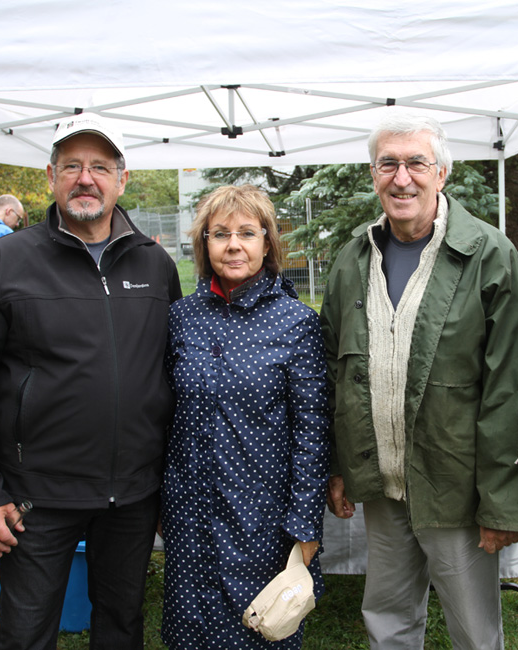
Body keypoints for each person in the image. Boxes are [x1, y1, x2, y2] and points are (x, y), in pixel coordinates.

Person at [0, 115, 182, 650]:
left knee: (121, 624)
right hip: (36, 496)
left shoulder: (156, 265)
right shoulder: (4, 263)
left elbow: (167, 375)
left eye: (99, 166)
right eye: (72, 166)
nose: (85, 178)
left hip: (134, 493)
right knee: (25, 631)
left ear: (123, 179)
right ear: (50, 176)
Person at [320, 112, 518, 649]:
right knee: (388, 618)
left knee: (473, 631)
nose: (402, 177)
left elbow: (510, 390)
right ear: (374, 174)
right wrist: (342, 467)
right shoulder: (354, 257)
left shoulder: (489, 256)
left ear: (442, 173)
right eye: (387, 164)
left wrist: (503, 503)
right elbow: (333, 372)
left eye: (417, 162)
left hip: (455, 489)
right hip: (385, 487)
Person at [161, 184, 329, 649]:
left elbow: (313, 432)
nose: (233, 244)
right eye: (220, 234)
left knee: (257, 628)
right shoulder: (182, 317)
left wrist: (304, 524)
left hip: (262, 519)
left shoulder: (296, 322)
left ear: (267, 243)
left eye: (246, 233)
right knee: (190, 627)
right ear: (204, 245)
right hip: (188, 510)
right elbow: (165, 414)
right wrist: (162, 500)